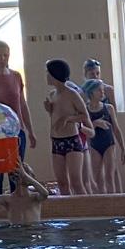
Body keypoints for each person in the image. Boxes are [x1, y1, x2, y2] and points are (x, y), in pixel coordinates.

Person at [0, 41, 36, 197]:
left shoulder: (16, 76)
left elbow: (22, 104)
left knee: (16, 173)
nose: (2, 58)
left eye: (5, 55)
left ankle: (19, 207)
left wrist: (30, 131)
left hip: (16, 131)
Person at [46, 59, 92, 196]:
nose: (46, 76)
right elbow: (55, 118)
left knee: (76, 182)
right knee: (62, 183)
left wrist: (68, 119)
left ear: (55, 74)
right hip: (56, 141)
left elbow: (85, 115)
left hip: (72, 140)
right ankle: (68, 209)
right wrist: (49, 110)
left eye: (48, 73)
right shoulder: (52, 95)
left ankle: (87, 208)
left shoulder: (72, 94)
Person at [83, 59, 123, 191]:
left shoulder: (107, 91)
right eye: (92, 74)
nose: (95, 76)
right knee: (97, 175)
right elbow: (82, 122)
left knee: (112, 172)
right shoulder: (83, 94)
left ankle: (118, 199)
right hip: (93, 140)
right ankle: (103, 200)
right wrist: (95, 124)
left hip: (108, 137)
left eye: (98, 73)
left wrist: (121, 146)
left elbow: (114, 120)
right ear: (86, 75)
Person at [0, 158, 49, 225]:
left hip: (33, 230)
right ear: (12, 177)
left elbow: (45, 193)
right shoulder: (7, 199)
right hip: (15, 230)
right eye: (18, 173)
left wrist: (25, 175)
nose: (21, 176)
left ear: (31, 178)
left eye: (25, 174)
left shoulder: (35, 197)